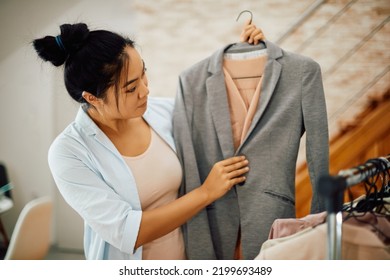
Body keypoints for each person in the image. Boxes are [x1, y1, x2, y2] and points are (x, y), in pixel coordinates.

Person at [32, 20, 264, 260]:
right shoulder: (68, 152)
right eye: (131, 88)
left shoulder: (162, 112)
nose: (145, 90)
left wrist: (246, 57)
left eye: (144, 74)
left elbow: (224, 114)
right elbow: (126, 231)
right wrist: (206, 192)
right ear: (93, 98)